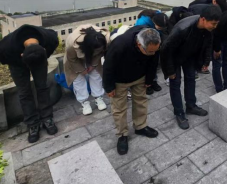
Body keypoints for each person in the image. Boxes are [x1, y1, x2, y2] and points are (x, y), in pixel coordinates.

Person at [0, 25, 59, 143]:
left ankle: (47, 118)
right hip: (16, 63)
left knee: (42, 87)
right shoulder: (7, 46)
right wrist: (15, 60)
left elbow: (54, 42)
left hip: (39, 58)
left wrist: (44, 55)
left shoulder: (49, 38)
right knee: (24, 92)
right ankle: (32, 123)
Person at [161, 6, 222, 130]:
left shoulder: (208, 28)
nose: (215, 26)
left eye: (216, 24)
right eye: (213, 24)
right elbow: (166, 50)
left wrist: (206, 61)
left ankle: (191, 105)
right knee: (175, 83)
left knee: (190, 79)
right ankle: (179, 112)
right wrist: (170, 70)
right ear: (203, 19)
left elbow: (208, 44)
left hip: (189, 56)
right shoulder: (182, 29)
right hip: (174, 57)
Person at [103, 27, 161, 156]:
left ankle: (140, 126)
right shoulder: (119, 45)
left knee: (141, 101)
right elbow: (108, 67)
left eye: (155, 50)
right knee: (119, 108)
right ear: (139, 44)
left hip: (140, 77)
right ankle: (122, 135)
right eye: (150, 51)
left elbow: (154, 61)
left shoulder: (154, 43)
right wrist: (109, 87)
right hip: (120, 80)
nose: (153, 53)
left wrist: (149, 78)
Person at [64, 25, 110, 116]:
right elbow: (72, 60)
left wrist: (93, 65)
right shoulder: (72, 45)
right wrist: (82, 70)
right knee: (78, 78)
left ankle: (98, 97)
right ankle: (84, 101)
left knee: (96, 74)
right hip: (75, 58)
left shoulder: (104, 39)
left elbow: (100, 53)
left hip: (93, 57)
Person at [135, 10, 169, 95]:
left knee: (154, 63)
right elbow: (137, 36)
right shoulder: (142, 22)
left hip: (156, 42)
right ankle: (146, 84)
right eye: (159, 27)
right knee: (145, 64)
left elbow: (162, 32)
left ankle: (153, 81)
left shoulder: (160, 17)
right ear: (154, 22)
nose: (160, 29)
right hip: (145, 44)